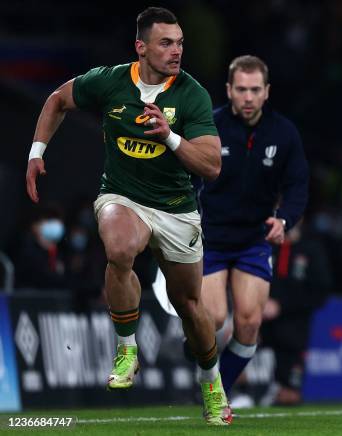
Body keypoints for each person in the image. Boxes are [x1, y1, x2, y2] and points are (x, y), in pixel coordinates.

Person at [25, 7, 231, 426]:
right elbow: (57, 100)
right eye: (165, 43)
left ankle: (212, 384)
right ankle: (126, 349)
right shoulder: (109, 81)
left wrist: (170, 136)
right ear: (141, 47)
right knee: (118, 248)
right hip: (123, 196)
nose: (176, 52)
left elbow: (211, 167)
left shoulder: (191, 93)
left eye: (179, 43)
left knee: (189, 305)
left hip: (176, 209)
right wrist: (36, 153)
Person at [193, 55, 309, 402]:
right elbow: (183, 176)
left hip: (253, 240)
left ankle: (217, 393)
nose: (247, 97)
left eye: (254, 90)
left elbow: (298, 185)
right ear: (228, 90)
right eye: (241, 89)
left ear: (266, 92)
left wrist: (285, 219)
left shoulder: (284, 133)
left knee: (249, 324)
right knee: (212, 319)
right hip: (210, 237)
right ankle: (193, 342)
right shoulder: (207, 127)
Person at [260, 221, 331, 405]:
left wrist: (281, 305)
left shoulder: (311, 249)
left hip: (294, 334)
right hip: (260, 330)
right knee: (247, 378)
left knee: (289, 395)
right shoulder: (264, 246)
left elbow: (319, 293)